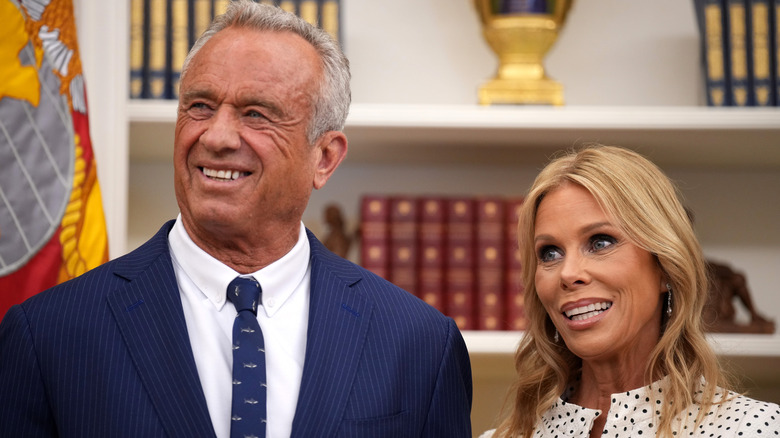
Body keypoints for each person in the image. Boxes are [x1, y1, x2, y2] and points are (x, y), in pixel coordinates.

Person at [0, 2, 472, 437]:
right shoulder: (46, 336)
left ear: (325, 158)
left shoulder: (420, 346)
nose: (218, 136)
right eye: (200, 106)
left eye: (256, 113)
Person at [480, 145, 779, 438]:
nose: (568, 273)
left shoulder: (751, 428)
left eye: (601, 242)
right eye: (550, 253)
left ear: (665, 266)